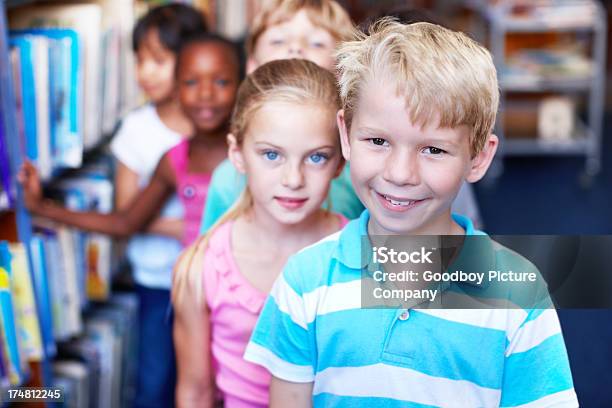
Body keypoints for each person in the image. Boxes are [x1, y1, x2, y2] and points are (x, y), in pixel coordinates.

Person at [244, 21, 578, 407]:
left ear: (479, 157)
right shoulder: (305, 280)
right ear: (345, 134)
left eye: (433, 150)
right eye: (378, 141)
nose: (400, 174)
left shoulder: (517, 294)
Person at [172, 59, 348, 408]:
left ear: (341, 161)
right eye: (271, 154)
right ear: (237, 154)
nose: (293, 179)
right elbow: (195, 391)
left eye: (316, 158)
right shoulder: (202, 267)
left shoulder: (361, 252)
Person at [18, 32, 240, 247]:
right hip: (197, 283)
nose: (205, 94)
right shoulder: (175, 160)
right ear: (176, 89)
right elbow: (125, 223)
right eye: (191, 82)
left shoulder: (252, 152)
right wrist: (41, 207)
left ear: (242, 85)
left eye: (221, 82)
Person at [108, 5, 206, 406]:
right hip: (157, 282)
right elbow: (125, 212)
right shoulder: (136, 129)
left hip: (205, 282)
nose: (145, 72)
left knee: (203, 380)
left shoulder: (211, 123)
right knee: (155, 382)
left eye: (158, 61)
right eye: (140, 60)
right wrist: (191, 226)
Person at [198, 0, 363, 234]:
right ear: (252, 65)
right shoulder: (227, 180)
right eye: (278, 40)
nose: (295, 48)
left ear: (342, 71)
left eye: (316, 42)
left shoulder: (360, 171)